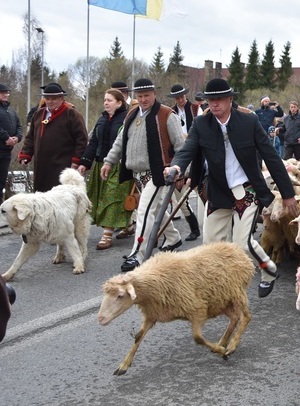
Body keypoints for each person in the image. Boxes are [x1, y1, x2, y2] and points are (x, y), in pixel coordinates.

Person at [166, 78, 298, 298]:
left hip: (247, 190)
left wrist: (288, 195)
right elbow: (186, 150)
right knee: (210, 245)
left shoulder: (249, 122)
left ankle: (269, 270)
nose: (214, 104)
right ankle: (221, 285)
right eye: (210, 100)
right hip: (218, 190)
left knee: (243, 243)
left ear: (229, 99)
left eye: (219, 99)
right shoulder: (201, 124)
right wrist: (176, 167)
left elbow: (271, 157)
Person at [101, 78, 186, 272]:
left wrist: (180, 171)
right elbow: (120, 141)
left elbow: (181, 147)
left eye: (147, 95)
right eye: (140, 96)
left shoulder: (167, 115)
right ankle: (173, 238)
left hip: (158, 173)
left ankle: (137, 254)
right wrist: (108, 161)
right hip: (137, 174)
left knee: (144, 211)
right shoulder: (131, 115)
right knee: (153, 210)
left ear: (155, 94)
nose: (143, 99)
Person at [78, 88, 133, 250]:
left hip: (119, 166)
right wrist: (85, 163)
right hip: (101, 165)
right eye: (104, 100)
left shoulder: (126, 119)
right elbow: (93, 142)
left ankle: (107, 235)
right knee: (100, 198)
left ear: (119, 103)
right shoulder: (101, 120)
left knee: (112, 199)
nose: (106, 103)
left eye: (109, 100)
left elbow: (130, 142)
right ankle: (128, 225)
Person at [18, 82, 87, 192]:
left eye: (53, 99)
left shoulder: (72, 115)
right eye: (47, 98)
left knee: (59, 197)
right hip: (41, 166)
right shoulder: (38, 114)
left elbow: (82, 139)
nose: (50, 101)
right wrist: (26, 154)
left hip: (62, 165)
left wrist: (76, 159)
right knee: (41, 197)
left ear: (61, 98)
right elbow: (31, 137)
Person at [167, 84, 200, 241]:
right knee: (179, 201)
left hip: (194, 151)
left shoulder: (195, 109)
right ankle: (193, 229)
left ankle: (196, 229)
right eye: (177, 98)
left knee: (187, 199)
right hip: (178, 155)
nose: (180, 100)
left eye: (182, 97)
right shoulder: (171, 112)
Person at [0, 83, 22, 205]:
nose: (6, 94)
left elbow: (19, 126)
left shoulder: (11, 111)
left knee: (1, 183)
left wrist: (17, 138)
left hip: (6, 152)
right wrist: (6, 137)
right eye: (3, 92)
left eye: (7, 92)